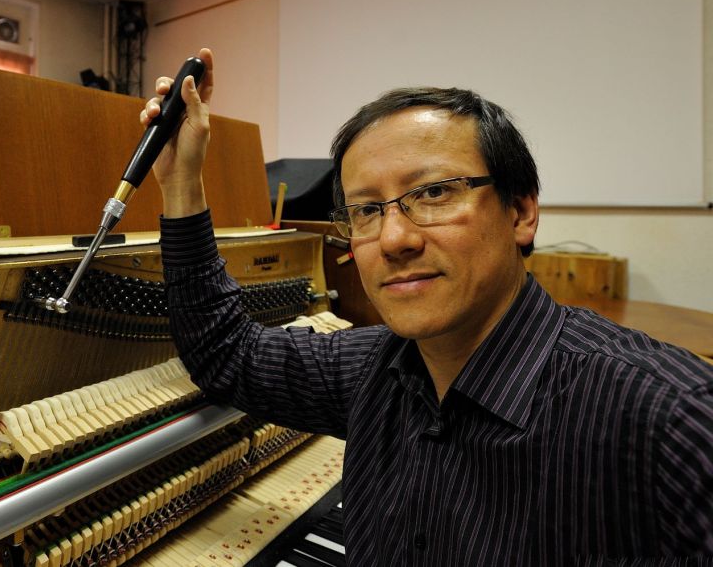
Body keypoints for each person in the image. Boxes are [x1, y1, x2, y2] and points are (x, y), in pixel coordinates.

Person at [143, 48, 713, 565]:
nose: (394, 239)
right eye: (367, 210)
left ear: (520, 213)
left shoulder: (671, 418)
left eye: (435, 192)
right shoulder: (374, 369)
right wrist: (181, 181)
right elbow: (227, 353)